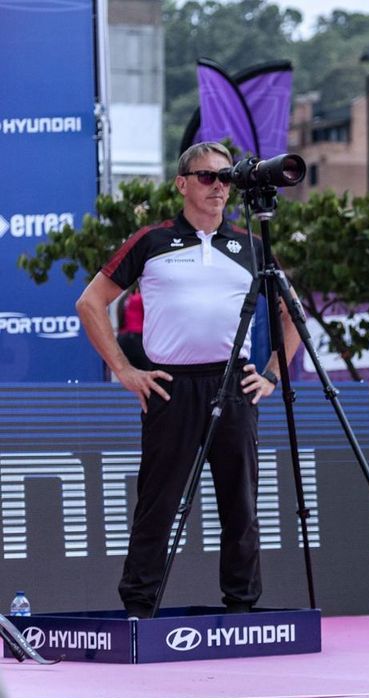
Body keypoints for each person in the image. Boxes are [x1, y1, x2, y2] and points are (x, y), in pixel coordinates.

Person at [75, 141, 300, 619]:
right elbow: (90, 303)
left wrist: (273, 376)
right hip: (171, 385)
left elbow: (293, 314)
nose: (218, 185)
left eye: (224, 178)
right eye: (206, 177)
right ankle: (139, 609)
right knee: (158, 504)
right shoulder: (152, 241)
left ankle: (241, 610)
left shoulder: (250, 245)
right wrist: (124, 370)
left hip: (233, 383)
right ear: (182, 183)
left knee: (240, 505)